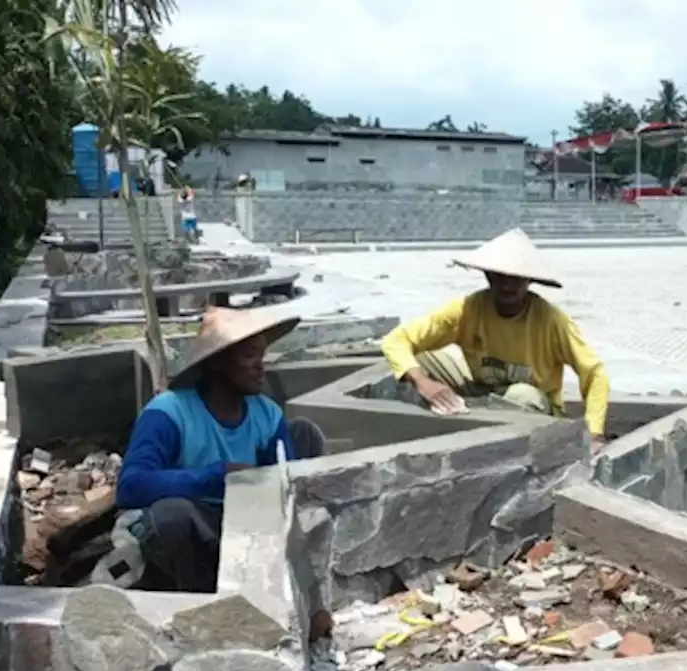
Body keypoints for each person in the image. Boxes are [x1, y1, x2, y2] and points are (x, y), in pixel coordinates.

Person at [97, 306, 326, 592]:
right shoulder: (170, 412)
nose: (260, 366)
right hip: (182, 533)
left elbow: (284, 498)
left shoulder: (267, 415)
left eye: (261, 356)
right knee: (173, 514)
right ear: (217, 363)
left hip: (241, 524)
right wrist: (216, 477)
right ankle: (198, 598)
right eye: (249, 356)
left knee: (304, 435)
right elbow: (130, 487)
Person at [381, 228, 610, 454]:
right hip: (482, 391)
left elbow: (595, 373)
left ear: (529, 280)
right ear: (488, 276)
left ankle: (479, 427)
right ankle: (455, 415)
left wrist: (594, 432)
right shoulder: (468, 309)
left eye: (515, 279)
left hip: (535, 409)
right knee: (414, 360)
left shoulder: (551, 320)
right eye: (499, 277)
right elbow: (396, 340)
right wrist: (423, 382)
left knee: (522, 394)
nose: (507, 286)